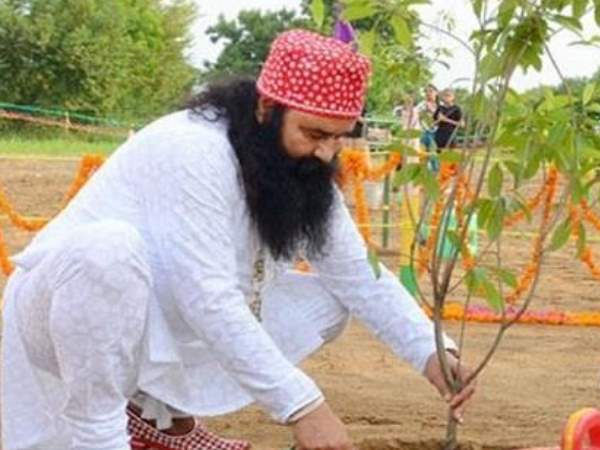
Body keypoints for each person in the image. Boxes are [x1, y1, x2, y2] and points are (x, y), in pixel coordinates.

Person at [1, 29, 476, 450]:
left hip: (153, 319)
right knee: (107, 253)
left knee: (328, 301)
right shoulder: (193, 149)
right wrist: (302, 406)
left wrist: (430, 350)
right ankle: (103, 435)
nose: (325, 152)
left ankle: (154, 414)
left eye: (339, 137)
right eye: (314, 133)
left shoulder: (301, 166)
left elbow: (356, 273)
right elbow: (206, 297)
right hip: (63, 322)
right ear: (267, 109)